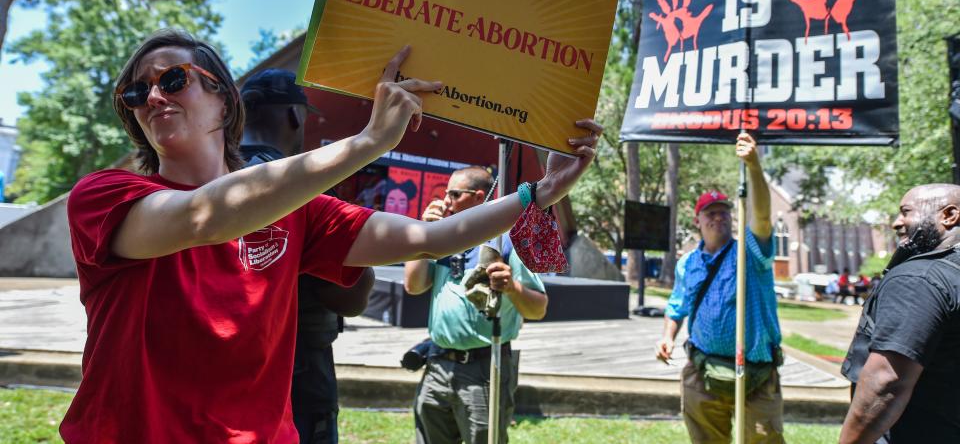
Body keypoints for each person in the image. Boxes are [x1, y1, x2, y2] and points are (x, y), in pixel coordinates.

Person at [62, 29, 600, 443]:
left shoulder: (299, 211)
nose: (153, 97)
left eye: (172, 80)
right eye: (136, 91)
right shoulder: (103, 195)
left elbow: (432, 238)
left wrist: (541, 191)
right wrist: (368, 141)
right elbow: (204, 217)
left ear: (223, 100)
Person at [240, 68, 375, 444]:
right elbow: (350, 296)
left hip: (223, 363)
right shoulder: (301, 185)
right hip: (297, 366)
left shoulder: (207, 178)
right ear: (295, 116)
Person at [404, 166, 548, 444]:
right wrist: (423, 234)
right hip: (437, 365)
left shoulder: (508, 240)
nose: (446, 201)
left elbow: (538, 308)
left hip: (484, 368)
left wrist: (511, 287)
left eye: (454, 194)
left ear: (479, 196)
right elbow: (414, 285)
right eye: (445, 194)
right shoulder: (442, 237)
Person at [654, 132, 783, 444]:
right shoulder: (688, 264)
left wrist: (753, 166)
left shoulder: (749, 254)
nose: (718, 216)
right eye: (710, 212)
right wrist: (667, 337)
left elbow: (763, 218)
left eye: (724, 211)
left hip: (756, 375)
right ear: (697, 220)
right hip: (703, 374)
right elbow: (677, 306)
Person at [839, 183, 960, 443]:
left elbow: (886, 382)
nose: (896, 222)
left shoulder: (918, 279)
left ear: (949, 216)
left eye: (906, 212)